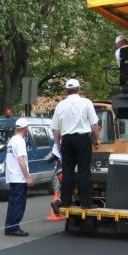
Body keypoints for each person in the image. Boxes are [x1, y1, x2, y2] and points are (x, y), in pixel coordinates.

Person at [50, 78, 100, 213]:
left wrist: (57, 143)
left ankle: (65, 202)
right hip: (83, 139)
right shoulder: (86, 102)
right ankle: (86, 203)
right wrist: (97, 139)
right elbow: (94, 124)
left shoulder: (61, 105)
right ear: (79, 89)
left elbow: (55, 129)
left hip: (66, 140)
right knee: (84, 171)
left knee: (67, 172)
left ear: (66, 91)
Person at [3, 118, 34, 236]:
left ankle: (9, 226)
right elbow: (21, 161)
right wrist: (28, 177)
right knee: (19, 203)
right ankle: (15, 227)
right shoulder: (20, 141)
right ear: (24, 128)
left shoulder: (11, 140)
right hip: (19, 177)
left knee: (12, 203)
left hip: (12, 176)